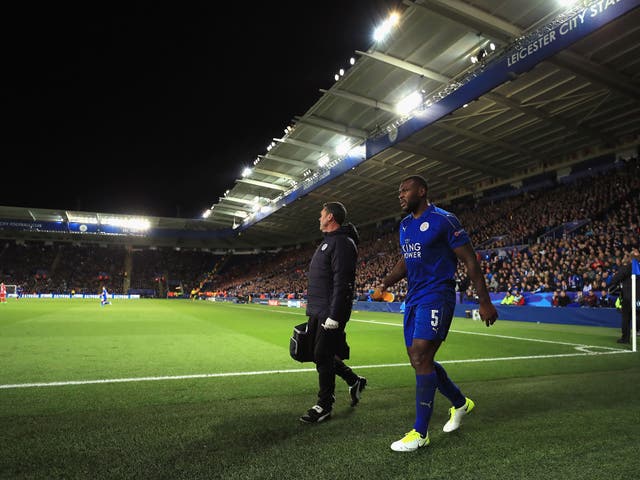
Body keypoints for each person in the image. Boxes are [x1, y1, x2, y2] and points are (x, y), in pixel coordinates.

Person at [377, 175, 498, 452]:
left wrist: (485, 302)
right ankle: (460, 403)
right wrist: (385, 283)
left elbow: (469, 259)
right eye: (399, 191)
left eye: (405, 190)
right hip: (414, 298)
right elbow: (405, 261)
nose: (400, 195)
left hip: (437, 295)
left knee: (421, 356)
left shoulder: (445, 220)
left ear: (422, 191)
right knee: (419, 359)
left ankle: (420, 433)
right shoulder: (405, 225)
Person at [299, 201, 367, 424]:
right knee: (318, 353)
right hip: (319, 309)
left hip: (330, 311)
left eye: (321, 215)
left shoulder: (343, 243)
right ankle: (354, 380)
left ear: (330, 217)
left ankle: (324, 405)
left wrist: (335, 316)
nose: (319, 218)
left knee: (322, 355)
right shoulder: (329, 242)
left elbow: (343, 283)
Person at [609, 248, 640, 344]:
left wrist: (616, 285)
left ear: (630, 258)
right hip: (638, 298)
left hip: (628, 298)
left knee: (626, 318)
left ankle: (625, 338)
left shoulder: (627, 268)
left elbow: (615, 279)